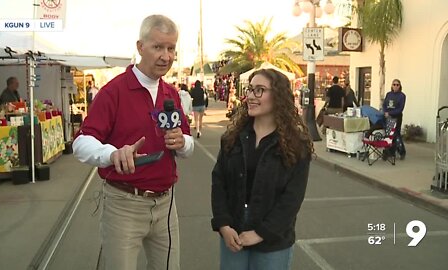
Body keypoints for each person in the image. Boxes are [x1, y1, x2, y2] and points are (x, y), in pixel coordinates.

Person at [72, 14, 194, 270]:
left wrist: (181, 142)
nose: (166, 56)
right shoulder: (112, 92)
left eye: (171, 48)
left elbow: (188, 145)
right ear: (140, 47)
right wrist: (112, 154)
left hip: (165, 205)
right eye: (158, 47)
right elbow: (81, 142)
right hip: (123, 204)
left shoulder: (171, 93)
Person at [211, 68, 313, 270]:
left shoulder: (295, 145)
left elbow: (291, 199)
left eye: (259, 90)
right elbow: (219, 182)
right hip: (233, 234)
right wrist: (224, 225)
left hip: (273, 242)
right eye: (250, 89)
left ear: (278, 96)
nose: (251, 96)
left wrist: (260, 233)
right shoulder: (233, 138)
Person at [382, 79, 406, 160]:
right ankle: (391, 152)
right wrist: (385, 112)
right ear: (392, 85)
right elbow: (384, 104)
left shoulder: (402, 96)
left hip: (397, 116)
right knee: (389, 134)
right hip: (388, 116)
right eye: (394, 84)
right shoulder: (389, 94)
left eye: (397, 85)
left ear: (400, 86)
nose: (395, 86)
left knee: (396, 134)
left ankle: (402, 151)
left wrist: (391, 113)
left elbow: (400, 108)